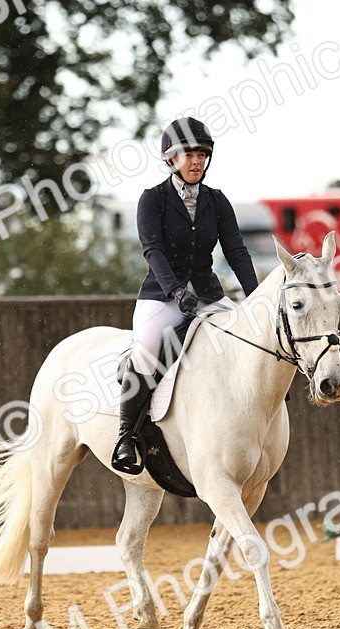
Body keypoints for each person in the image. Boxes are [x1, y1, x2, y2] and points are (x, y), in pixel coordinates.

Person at [112, 117, 260, 475]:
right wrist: (175, 291)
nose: (195, 162)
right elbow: (153, 251)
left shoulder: (217, 201)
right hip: (162, 296)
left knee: (252, 339)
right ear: (170, 160)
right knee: (147, 348)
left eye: (201, 155)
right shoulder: (153, 200)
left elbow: (237, 252)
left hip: (208, 293)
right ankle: (126, 436)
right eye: (187, 155)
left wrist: (257, 300)